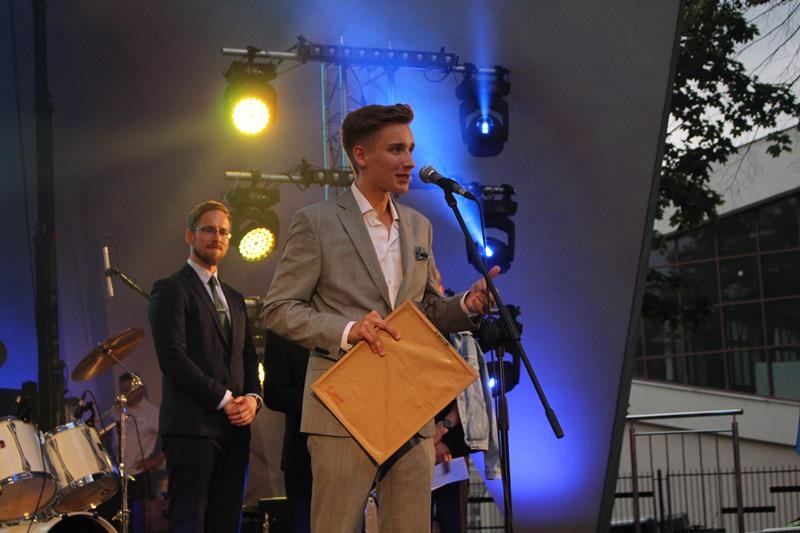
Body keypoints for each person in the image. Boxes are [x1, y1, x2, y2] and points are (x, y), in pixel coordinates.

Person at [263, 103, 499, 533]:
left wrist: (467, 305)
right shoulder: (316, 223)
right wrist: (347, 330)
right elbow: (278, 309)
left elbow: (427, 310)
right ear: (361, 155)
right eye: (396, 149)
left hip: (409, 404)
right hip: (343, 405)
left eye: (410, 148)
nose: (409, 160)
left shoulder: (419, 226)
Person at [149, 200, 262, 533]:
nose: (217, 237)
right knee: (190, 523)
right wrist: (225, 399)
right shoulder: (170, 288)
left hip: (235, 430)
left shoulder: (235, 298)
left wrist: (253, 399)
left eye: (224, 232)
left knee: (227, 523)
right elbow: (173, 358)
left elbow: (248, 356)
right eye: (209, 230)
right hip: (192, 428)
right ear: (189, 235)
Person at [97, 372, 166, 532]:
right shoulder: (118, 410)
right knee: (109, 516)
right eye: (122, 390)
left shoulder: (152, 413)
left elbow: (170, 437)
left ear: (139, 389)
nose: (124, 394)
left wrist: (156, 460)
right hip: (118, 474)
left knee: (136, 522)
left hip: (138, 474)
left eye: (127, 390)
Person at [263, 331, 312, 533]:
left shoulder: (351, 323)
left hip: (351, 457)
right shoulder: (283, 332)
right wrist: (322, 404)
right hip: (302, 456)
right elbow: (273, 393)